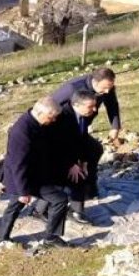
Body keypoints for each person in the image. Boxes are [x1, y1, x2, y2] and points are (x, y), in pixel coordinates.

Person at [0, 97, 71, 249]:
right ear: (40, 112)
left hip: (35, 172)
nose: (54, 120)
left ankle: (1, 236)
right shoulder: (21, 132)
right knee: (60, 199)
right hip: (23, 176)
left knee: (15, 206)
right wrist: (23, 191)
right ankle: (50, 238)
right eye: (52, 117)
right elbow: (18, 163)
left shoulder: (39, 122)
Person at [55, 90, 105, 225]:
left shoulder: (82, 115)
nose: (95, 109)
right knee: (71, 178)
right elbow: (58, 145)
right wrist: (71, 165)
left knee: (80, 175)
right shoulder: (63, 117)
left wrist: (82, 161)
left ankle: (76, 210)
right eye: (91, 106)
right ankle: (40, 210)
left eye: (95, 106)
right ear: (76, 105)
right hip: (54, 157)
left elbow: (81, 140)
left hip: (69, 154)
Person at [49, 68, 122, 145]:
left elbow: (112, 105)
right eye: (104, 88)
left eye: (110, 88)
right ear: (95, 81)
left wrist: (115, 127)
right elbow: (52, 103)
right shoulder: (73, 88)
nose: (107, 91)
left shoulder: (107, 88)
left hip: (84, 123)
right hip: (63, 124)